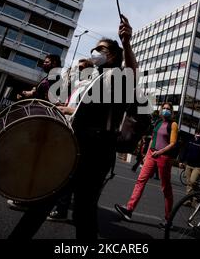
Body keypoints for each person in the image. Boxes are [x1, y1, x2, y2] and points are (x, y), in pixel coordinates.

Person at [8, 14, 137, 240]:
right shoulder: (94, 79)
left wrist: (126, 43)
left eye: (101, 49)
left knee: (82, 213)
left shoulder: (118, 78)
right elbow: (81, 112)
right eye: (94, 49)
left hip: (97, 153)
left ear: (113, 55)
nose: (95, 52)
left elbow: (132, 73)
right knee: (46, 201)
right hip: (75, 146)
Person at [46, 58, 94, 222]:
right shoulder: (79, 86)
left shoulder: (89, 87)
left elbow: (85, 110)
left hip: (77, 134)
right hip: (68, 129)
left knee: (67, 171)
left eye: (81, 68)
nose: (78, 70)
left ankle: (61, 209)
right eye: (77, 68)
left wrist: (66, 109)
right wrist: (63, 105)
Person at [114, 102, 178, 226]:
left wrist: (159, 152)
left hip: (163, 157)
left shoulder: (173, 124)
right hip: (151, 155)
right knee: (140, 180)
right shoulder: (158, 122)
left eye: (168, 109)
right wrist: (146, 154)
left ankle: (168, 218)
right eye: (163, 108)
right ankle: (129, 209)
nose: (165, 110)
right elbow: (153, 139)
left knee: (166, 187)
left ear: (172, 112)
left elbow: (172, 143)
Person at [179, 129, 200, 196]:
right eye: (197, 133)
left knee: (193, 182)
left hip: (197, 167)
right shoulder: (190, 141)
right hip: (188, 164)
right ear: (195, 134)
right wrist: (181, 161)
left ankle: (197, 194)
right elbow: (184, 151)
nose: (198, 135)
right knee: (188, 182)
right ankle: (188, 199)